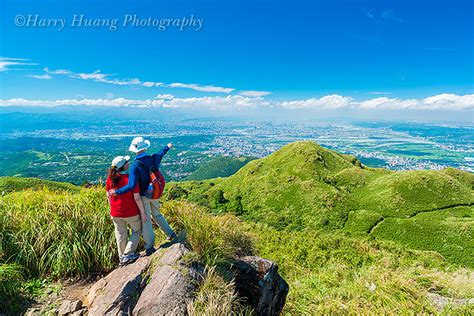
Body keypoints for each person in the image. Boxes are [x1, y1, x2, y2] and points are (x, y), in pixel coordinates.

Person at [108, 137, 176, 256]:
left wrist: (117, 192)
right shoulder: (152, 158)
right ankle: (171, 234)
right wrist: (168, 147)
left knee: (146, 222)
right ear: (145, 147)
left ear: (134, 149)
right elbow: (161, 153)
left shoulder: (135, 165)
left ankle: (149, 247)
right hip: (154, 192)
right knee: (157, 214)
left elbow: (132, 185)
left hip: (144, 195)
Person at [106, 155, 148, 266]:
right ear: (123, 166)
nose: (128, 163)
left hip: (115, 212)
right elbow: (137, 198)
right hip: (130, 212)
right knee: (137, 231)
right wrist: (143, 213)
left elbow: (108, 195)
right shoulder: (130, 179)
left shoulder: (110, 179)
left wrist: (112, 208)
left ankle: (122, 257)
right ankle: (128, 254)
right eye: (127, 162)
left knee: (120, 234)